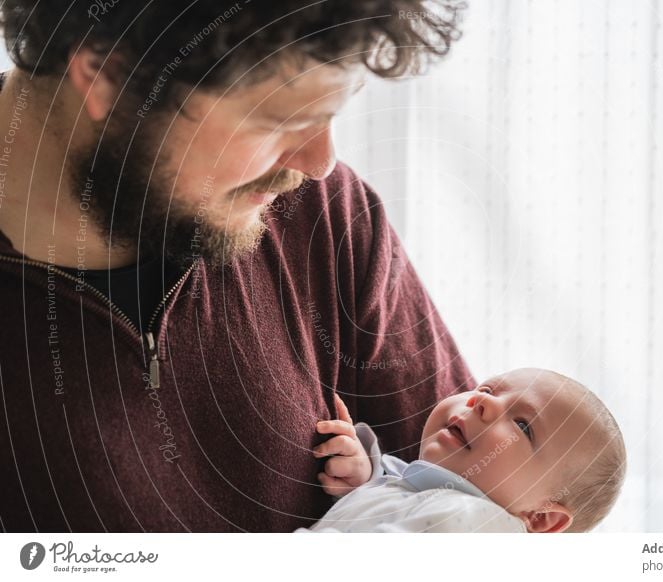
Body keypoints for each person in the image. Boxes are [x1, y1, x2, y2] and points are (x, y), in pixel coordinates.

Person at [0, 1, 474, 532]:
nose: (318, 164)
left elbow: (491, 503)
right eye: (284, 121)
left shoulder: (323, 217)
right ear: (109, 75)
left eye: (330, 114)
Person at [299, 368, 626, 532]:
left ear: (540, 518)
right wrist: (364, 483)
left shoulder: (477, 525)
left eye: (523, 425)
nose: (481, 401)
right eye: (487, 389)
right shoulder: (433, 494)